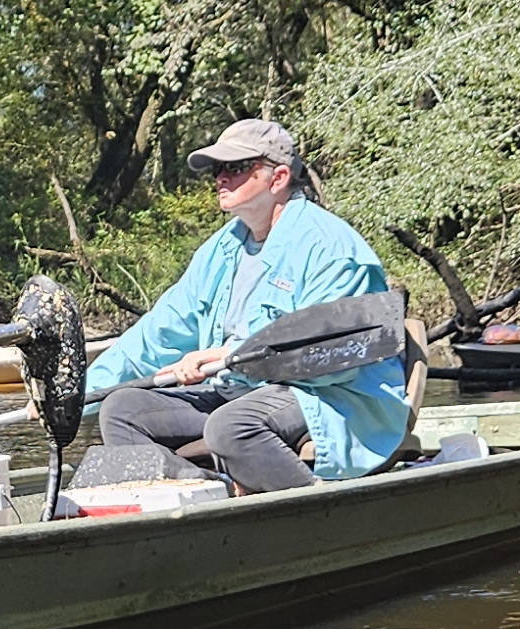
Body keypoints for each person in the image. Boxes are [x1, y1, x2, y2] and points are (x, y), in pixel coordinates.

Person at [84, 120, 409, 493]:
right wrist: (78, 395)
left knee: (230, 426)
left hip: (333, 395)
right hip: (239, 390)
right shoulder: (221, 249)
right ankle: (208, 493)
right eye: (217, 169)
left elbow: (333, 361)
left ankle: (317, 519)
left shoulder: (332, 249)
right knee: (122, 410)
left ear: (278, 177)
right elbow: (158, 333)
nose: (221, 178)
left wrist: (231, 354)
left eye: (236, 168)